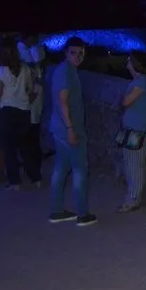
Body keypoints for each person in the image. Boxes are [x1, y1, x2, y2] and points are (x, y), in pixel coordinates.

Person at [48, 37, 97, 226]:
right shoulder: (66, 72)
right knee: (80, 170)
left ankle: (56, 210)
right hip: (68, 128)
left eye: (80, 53)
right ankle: (83, 214)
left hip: (60, 127)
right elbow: (63, 102)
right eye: (73, 53)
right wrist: (71, 129)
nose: (77, 56)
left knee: (61, 168)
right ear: (66, 52)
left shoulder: (66, 70)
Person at [0, 43, 40, 191]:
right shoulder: (25, 69)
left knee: (9, 147)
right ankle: (36, 178)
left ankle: (15, 181)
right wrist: (25, 101)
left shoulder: (1, 71)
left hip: (7, 111)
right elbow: (31, 89)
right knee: (25, 146)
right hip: (24, 110)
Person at [118, 50, 146, 213]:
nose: (127, 62)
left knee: (134, 165)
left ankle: (133, 199)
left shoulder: (142, 81)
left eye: (129, 60)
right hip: (134, 129)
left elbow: (126, 101)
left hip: (138, 131)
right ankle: (133, 196)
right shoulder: (141, 81)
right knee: (131, 163)